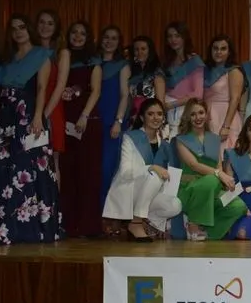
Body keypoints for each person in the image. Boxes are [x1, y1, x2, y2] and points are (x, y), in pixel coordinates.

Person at [0, 14, 61, 245]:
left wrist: (38, 116)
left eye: (22, 27)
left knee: (29, 168)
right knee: (4, 169)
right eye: (14, 28)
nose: (18, 32)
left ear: (30, 30)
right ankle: (4, 229)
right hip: (5, 117)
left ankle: (33, 229)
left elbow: (42, 88)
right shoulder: (6, 59)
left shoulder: (41, 55)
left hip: (28, 115)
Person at [102, 99, 181, 242]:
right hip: (130, 190)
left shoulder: (165, 144)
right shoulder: (131, 137)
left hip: (149, 195)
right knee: (154, 175)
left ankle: (150, 223)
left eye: (159, 114)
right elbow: (125, 172)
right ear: (142, 118)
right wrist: (151, 167)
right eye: (150, 114)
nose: (156, 118)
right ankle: (136, 222)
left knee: (175, 205)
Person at [174, 98, 247, 240]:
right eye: (193, 114)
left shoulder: (214, 139)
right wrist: (220, 174)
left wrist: (224, 181)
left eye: (201, 113)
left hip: (213, 189)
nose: (198, 117)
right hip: (190, 190)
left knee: (239, 206)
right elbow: (194, 165)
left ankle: (207, 233)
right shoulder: (181, 140)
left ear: (207, 115)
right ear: (188, 117)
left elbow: (218, 165)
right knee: (211, 180)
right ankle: (193, 223)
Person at [61, 21, 103, 237]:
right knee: (67, 172)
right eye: (74, 32)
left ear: (88, 38)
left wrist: (84, 116)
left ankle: (88, 226)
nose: (77, 36)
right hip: (64, 118)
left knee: (88, 173)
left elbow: (96, 91)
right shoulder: (61, 58)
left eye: (82, 33)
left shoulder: (93, 61)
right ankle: (68, 224)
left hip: (86, 120)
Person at [96, 25, 130, 226]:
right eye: (106, 37)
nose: (109, 41)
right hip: (93, 122)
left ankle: (110, 218)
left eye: (114, 38)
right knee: (94, 170)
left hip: (112, 123)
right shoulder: (93, 63)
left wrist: (118, 120)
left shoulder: (122, 65)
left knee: (108, 169)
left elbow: (125, 95)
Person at [36, 10, 69, 185]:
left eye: (50, 23)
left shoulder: (62, 53)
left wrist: (44, 115)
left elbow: (60, 86)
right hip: (31, 106)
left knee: (52, 160)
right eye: (42, 22)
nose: (45, 27)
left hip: (52, 109)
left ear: (56, 28)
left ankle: (54, 202)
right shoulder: (30, 51)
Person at [203, 34, 244, 154]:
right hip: (207, 117)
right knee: (209, 157)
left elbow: (235, 99)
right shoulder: (205, 70)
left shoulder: (234, 70)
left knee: (225, 155)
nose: (218, 52)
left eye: (223, 49)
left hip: (225, 118)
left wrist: (226, 126)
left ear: (229, 52)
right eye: (215, 48)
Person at [162, 21, 205, 132]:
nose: (173, 40)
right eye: (170, 36)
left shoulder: (194, 61)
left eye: (177, 36)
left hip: (184, 110)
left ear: (184, 37)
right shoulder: (168, 62)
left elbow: (198, 94)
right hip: (167, 110)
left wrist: (171, 105)